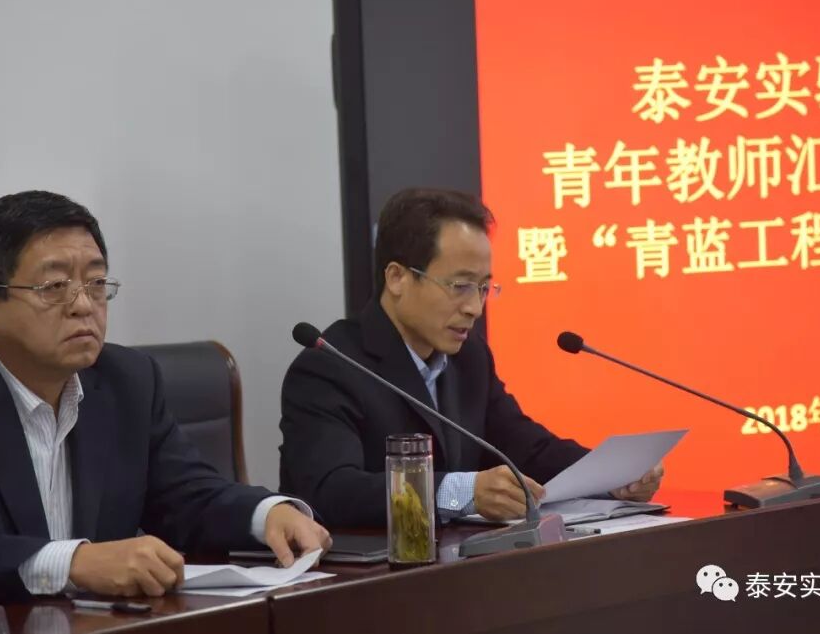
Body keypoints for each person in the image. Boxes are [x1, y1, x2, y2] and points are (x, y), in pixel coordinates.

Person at [0, 191, 330, 607]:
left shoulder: (128, 381)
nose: (84, 305)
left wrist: (267, 514)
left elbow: (185, 497)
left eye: (96, 282)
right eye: (54, 287)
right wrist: (73, 563)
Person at [279, 188, 663, 528]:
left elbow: (526, 448)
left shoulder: (469, 357)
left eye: (483, 288)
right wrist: (462, 492)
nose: (475, 308)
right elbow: (332, 490)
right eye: (460, 286)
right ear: (397, 278)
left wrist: (612, 476)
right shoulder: (330, 366)